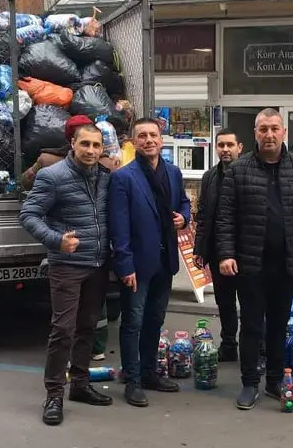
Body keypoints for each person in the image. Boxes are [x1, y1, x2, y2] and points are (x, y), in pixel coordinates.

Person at [216, 107, 293, 410]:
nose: (269, 134)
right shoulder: (239, 170)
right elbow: (225, 216)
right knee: (251, 324)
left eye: (274, 128)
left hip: (287, 263)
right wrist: (225, 254)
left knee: (278, 324)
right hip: (250, 262)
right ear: (255, 133)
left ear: (283, 132)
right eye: (263, 129)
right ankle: (250, 383)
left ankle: (275, 381)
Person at [19, 121, 113, 426]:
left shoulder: (106, 177)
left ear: (102, 148)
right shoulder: (53, 176)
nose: (91, 150)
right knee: (63, 330)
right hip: (67, 266)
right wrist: (56, 240)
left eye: (96, 145)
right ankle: (54, 395)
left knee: (88, 327)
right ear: (72, 144)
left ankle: (81, 385)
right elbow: (28, 214)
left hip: (98, 264)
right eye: (85, 144)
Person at [109, 117, 191, 408]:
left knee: (155, 320)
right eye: (142, 136)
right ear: (134, 142)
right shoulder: (123, 177)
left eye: (153, 135)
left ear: (161, 138)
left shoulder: (173, 172)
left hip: (165, 260)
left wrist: (184, 218)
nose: (148, 140)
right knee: (133, 322)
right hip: (137, 264)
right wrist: (124, 265)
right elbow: (119, 226)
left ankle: (148, 373)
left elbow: (184, 202)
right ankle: (132, 380)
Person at [193, 128, 244, 362]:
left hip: (244, 252)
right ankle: (229, 344)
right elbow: (203, 215)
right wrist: (199, 249)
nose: (225, 149)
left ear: (239, 148)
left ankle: (257, 347)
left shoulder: (248, 174)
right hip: (216, 252)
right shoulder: (210, 177)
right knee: (224, 301)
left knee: (250, 302)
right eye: (221, 145)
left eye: (229, 145)